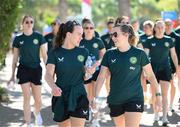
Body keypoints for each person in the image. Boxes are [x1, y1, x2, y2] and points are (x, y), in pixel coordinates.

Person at [93, 23, 161, 127]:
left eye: (116, 34)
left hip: (135, 98)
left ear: (126, 35)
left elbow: (151, 75)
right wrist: (95, 97)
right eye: (112, 35)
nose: (113, 37)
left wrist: (158, 96)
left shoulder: (139, 53)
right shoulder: (109, 54)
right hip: (115, 99)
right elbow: (101, 76)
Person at [45, 20, 95, 127]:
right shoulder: (54, 53)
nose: (81, 37)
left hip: (79, 95)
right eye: (79, 34)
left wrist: (89, 73)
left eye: (82, 35)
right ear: (68, 34)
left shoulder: (84, 52)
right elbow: (48, 75)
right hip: (61, 96)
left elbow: (86, 77)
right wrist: (53, 87)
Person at [8, 15, 47, 127]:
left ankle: (36, 112)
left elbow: (44, 56)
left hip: (36, 69)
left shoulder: (39, 37)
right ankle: (28, 123)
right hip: (23, 69)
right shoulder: (18, 39)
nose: (29, 23)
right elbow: (15, 58)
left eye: (31, 21)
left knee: (38, 100)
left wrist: (49, 71)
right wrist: (12, 75)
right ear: (23, 24)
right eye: (27, 22)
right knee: (27, 97)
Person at [144, 20, 179, 126]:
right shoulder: (149, 41)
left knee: (165, 94)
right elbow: (145, 56)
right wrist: (145, 71)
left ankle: (164, 117)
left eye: (162, 27)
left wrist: (177, 68)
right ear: (154, 28)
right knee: (155, 94)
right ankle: (155, 114)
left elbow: (173, 55)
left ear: (165, 28)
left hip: (165, 69)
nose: (160, 29)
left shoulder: (169, 40)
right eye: (158, 27)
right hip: (153, 70)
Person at [80, 20, 106, 125]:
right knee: (87, 95)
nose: (89, 30)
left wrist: (96, 64)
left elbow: (103, 56)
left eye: (91, 28)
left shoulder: (98, 41)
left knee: (95, 96)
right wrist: (85, 67)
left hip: (96, 71)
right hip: (84, 72)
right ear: (83, 29)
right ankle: (89, 110)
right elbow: (75, 57)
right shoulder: (79, 41)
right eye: (86, 28)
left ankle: (96, 120)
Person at [164, 19, 180, 112]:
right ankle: (164, 104)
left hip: (176, 64)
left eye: (170, 24)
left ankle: (171, 104)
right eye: (166, 24)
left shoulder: (177, 37)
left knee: (175, 83)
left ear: (173, 25)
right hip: (163, 63)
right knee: (165, 85)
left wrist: (177, 66)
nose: (168, 26)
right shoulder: (160, 36)